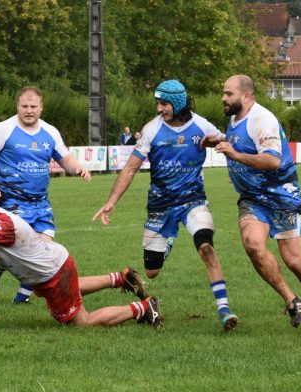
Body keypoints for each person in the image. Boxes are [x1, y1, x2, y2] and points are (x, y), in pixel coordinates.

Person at [92, 79, 239, 331]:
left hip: (193, 200)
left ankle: (224, 310)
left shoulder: (201, 125)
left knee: (206, 246)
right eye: (158, 103)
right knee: (152, 272)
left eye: (164, 103)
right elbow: (130, 169)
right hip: (159, 206)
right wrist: (110, 202)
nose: (160, 108)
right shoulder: (151, 130)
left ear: (178, 102)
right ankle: (169, 241)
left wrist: (219, 146)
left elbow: (229, 144)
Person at [0, 197, 162, 329]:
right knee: (71, 291)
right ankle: (120, 278)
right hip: (54, 265)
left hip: (52, 273)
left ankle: (142, 308)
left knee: (81, 321)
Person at [208, 74, 301, 328]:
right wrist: (218, 142)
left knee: (294, 261)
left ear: (246, 96)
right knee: (253, 245)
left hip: (281, 195)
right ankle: (291, 300)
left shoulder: (262, 119)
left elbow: (272, 160)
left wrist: (233, 154)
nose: (223, 98)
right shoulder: (236, 119)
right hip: (253, 199)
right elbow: (239, 144)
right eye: (224, 93)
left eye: (228, 94)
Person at [0, 86, 91, 304]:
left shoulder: (50, 132)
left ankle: (21, 296)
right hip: (10, 204)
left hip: (40, 205)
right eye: (24, 106)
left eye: (33, 106)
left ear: (41, 107)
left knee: (40, 252)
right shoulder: (3, 129)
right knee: (15, 252)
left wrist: (78, 168)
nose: (29, 110)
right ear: (17, 106)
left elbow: (65, 159)